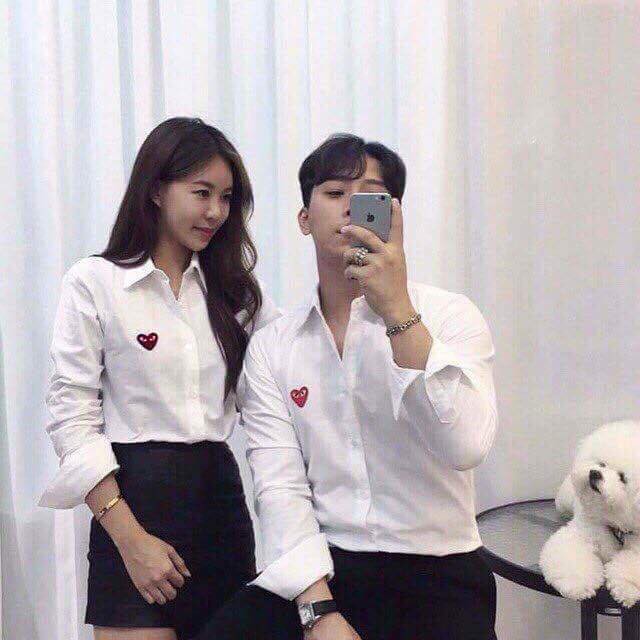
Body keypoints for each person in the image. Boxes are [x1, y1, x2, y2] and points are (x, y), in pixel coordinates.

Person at [195, 133, 498, 640]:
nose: (351, 209)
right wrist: (318, 612)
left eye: (370, 197)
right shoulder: (274, 346)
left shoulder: (449, 316)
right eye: (336, 193)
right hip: (327, 566)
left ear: (394, 214)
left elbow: (464, 446)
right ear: (304, 219)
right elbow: (280, 488)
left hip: (440, 568)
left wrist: (398, 312)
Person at [38, 117, 279, 640]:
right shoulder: (95, 283)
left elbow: (285, 388)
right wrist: (129, 539)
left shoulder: (238, 295)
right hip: (132, 506)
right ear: (154, 190)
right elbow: (71, 417)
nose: (216, 212)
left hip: (221, 511)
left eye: (226, 198)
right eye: (201, 193)